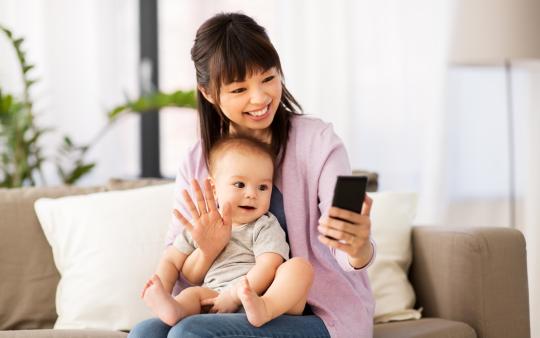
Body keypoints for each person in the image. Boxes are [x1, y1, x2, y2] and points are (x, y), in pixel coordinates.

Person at [129, 12, 375, 338]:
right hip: (225, 302)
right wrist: (207, 249)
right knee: (147, 332)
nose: (260, 98)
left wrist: (357, 248)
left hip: (318, 313)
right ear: (208, 93)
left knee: (190, 333)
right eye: (239, 88)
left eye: (268, 79)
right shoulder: (197, 161)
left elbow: (345, 247)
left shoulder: (318, 142)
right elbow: (183, 271)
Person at [141, 135, 313, 328]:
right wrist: (162, 288)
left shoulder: (263, 225)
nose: (252, 194)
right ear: (214, 189)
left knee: (299, 267)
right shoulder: (202, 224)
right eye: (240, 184)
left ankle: (266, 309)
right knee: (192, 295)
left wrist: (236, 294)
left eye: (263, 187)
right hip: (215, 296)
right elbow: (171, 259)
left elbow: (269, 264)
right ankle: (174, 310)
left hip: (261, 294)